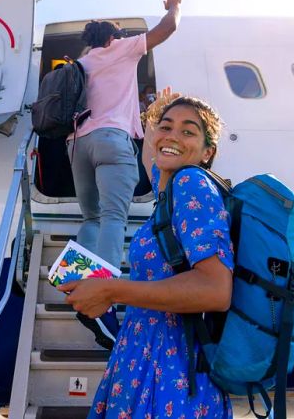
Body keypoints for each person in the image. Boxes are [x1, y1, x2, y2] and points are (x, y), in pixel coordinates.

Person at [59, 95, 235, 418]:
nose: (171, 137)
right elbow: (151, 155)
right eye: (166, 128)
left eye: (188, 132)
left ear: (208, 152)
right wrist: (153, 118)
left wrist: (112, 290)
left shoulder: (191, 184)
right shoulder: (167, 191)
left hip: (172, 374)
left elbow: (216, 290)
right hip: (143, 359)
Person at [66, 0, 184, 350]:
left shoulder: (82, 62)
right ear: (113, 36)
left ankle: (74, 281)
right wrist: (174, 6)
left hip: (77, 145)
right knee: (115, 218)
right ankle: (100, 303)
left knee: (92, 218)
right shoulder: (120, 49)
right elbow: (168, 29)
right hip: (111, 139)